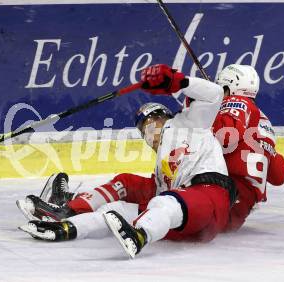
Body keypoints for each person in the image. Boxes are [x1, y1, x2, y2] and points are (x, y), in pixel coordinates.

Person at [17, 64, 237, 258]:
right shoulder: (161, 164)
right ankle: (66, 222)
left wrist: (176, 80)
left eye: (154, 122)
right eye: (144, 129)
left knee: (164, 202)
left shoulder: (190, 124)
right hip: (182, 223)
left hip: (209, 197)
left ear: (167, 118)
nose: (149, 131)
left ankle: (139, 236)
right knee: (117, 207)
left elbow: (215, 93)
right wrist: (67, 227)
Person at [211, 64, 284, 231]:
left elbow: (225, 137)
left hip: (221, 195)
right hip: (238, 212)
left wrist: (199, 104)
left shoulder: (236, 102)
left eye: (220, 88)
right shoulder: (265, 123)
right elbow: (279, 176)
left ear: (228, 87)